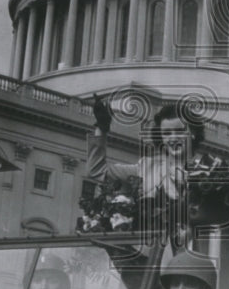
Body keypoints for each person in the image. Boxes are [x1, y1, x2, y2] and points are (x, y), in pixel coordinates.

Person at [86, 98, 204, 245]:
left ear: (193, 133)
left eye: (179, 131)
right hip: (148, 252)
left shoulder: (205, 173)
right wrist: (101, 129)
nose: (173, 138)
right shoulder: (146, 167)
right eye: (166, 133)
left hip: (186, 254)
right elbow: (97, 171)